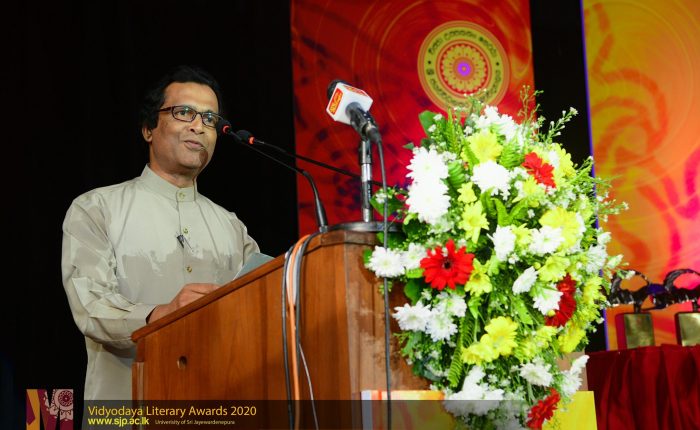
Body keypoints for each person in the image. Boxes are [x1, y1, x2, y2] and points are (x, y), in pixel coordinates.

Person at [61, 65, 260, 400]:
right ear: (148, 129)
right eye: (184, 113)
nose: (199, 126)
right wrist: (159, 315)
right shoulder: (96, 208)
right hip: (127, 407)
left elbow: (257, 315)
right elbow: (91, 306)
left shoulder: (232, 227)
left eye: (210, 118)